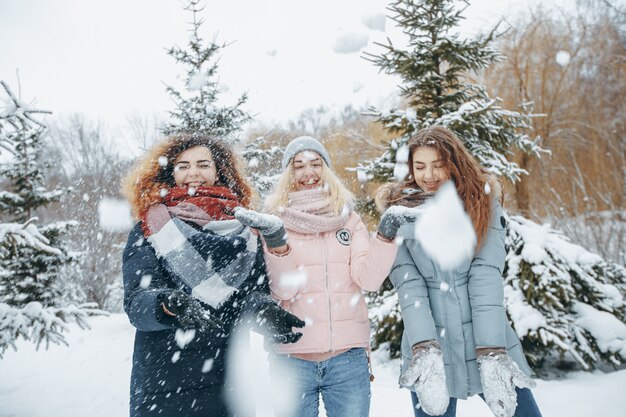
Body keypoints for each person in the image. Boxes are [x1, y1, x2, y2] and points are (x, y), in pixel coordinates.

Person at [121, 134, 305, 417]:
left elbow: (249, 295)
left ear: (219, 171)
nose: (193, 173)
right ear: (170, 173)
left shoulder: (244, 228)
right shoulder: (150, 227)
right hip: (165, 382)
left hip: (228, 380)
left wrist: (264, 311)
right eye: (182, 166)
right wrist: (167, 303)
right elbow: (137, 302)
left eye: (203, 164)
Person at [234, 136, 415, 417]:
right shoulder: (274, 221)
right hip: (292, 360)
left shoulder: (349, 219)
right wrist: (277, 242)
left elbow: (368, 279)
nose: (309, 173)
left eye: (316, 164)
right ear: (288, 174)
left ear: (326, 169)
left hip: (347, 359)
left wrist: (386, 235)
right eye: (299, 166)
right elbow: (283, 291)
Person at [376, 126, 542, 417]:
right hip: (429, 346)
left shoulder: (482, 204)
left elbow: (486, 275)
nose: (429, 175)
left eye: (439, 165)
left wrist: (491, 351)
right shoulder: (398, 213)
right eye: (420, 166)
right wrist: (425, 348)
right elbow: (408, 284)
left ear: (454, 164)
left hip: (487, 338)